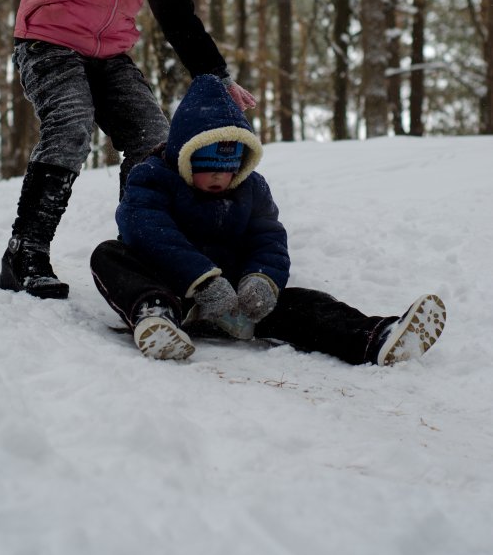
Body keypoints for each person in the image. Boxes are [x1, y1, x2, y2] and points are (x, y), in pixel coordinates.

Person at [0, 0, 255, 300]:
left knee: (153, 137)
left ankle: (136, 253)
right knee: (72, 125)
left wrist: (217, 77)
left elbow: (178, 19)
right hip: (48, 40)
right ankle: (25, 251)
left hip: (110, 53)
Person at [90, 74, 447, 365]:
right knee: (109, 255)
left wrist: (262, 280)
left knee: (306, 303)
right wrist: (200, 282)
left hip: (234, 302)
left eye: (228, 169)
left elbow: (268, 238)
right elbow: (148, 230)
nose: (219, 179)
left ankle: (376, 337)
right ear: (184, 154)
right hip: (172, 288)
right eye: (207, 168)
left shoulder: (251, 189)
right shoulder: (152, 176)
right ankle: (157, 319)